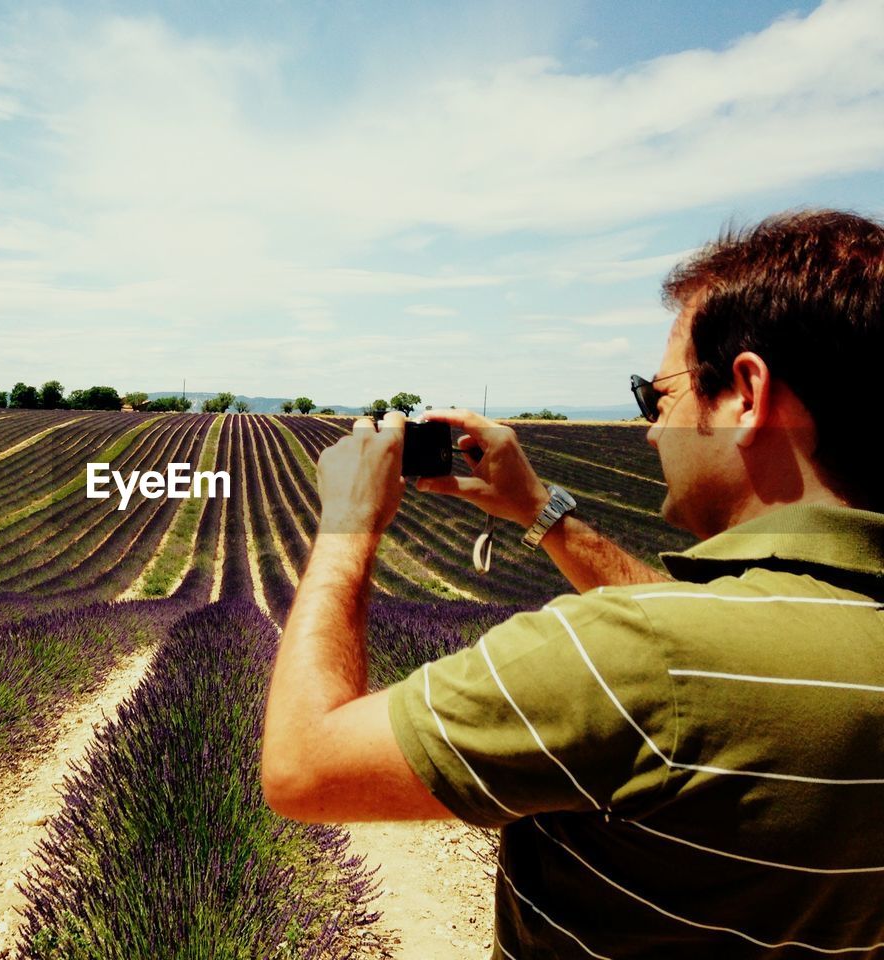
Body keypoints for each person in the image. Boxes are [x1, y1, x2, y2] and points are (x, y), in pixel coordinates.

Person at [260, 210, 884, 959]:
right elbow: (722, 643)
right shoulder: (753, 645)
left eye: (658, 396)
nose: (651, 428)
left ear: (747, 394)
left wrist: (348, 524)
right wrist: (538, 509)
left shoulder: (635, 657)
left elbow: (302, 767)